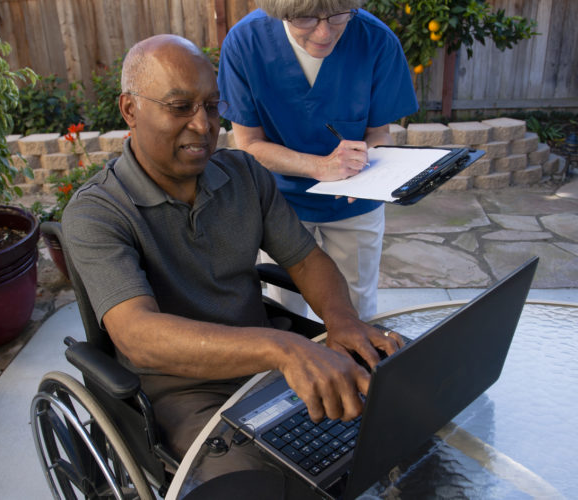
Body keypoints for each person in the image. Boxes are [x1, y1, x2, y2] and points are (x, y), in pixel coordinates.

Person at [62, 34, 403, 487]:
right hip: (181, 392)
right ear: (130, 110)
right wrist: (282, 348)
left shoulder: (244, 175)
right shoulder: (98, 212)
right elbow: (138, 336)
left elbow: (307, 260)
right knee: (265, 483)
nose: (203, 125)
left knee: (397, 414)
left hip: (268, 369)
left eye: (211, 106)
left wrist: (342, 321)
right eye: (179, 107)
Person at [218, 0, 418, 321]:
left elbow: (379, 134)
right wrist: (322, 167)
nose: (324, 32)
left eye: (338, 15)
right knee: (286, 308)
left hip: (354, 202)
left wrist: (367, 175)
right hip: (280, 202)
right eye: (305, 19)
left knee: (357, 308)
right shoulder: (245, 43)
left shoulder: (376, 40)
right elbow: (249, 144)